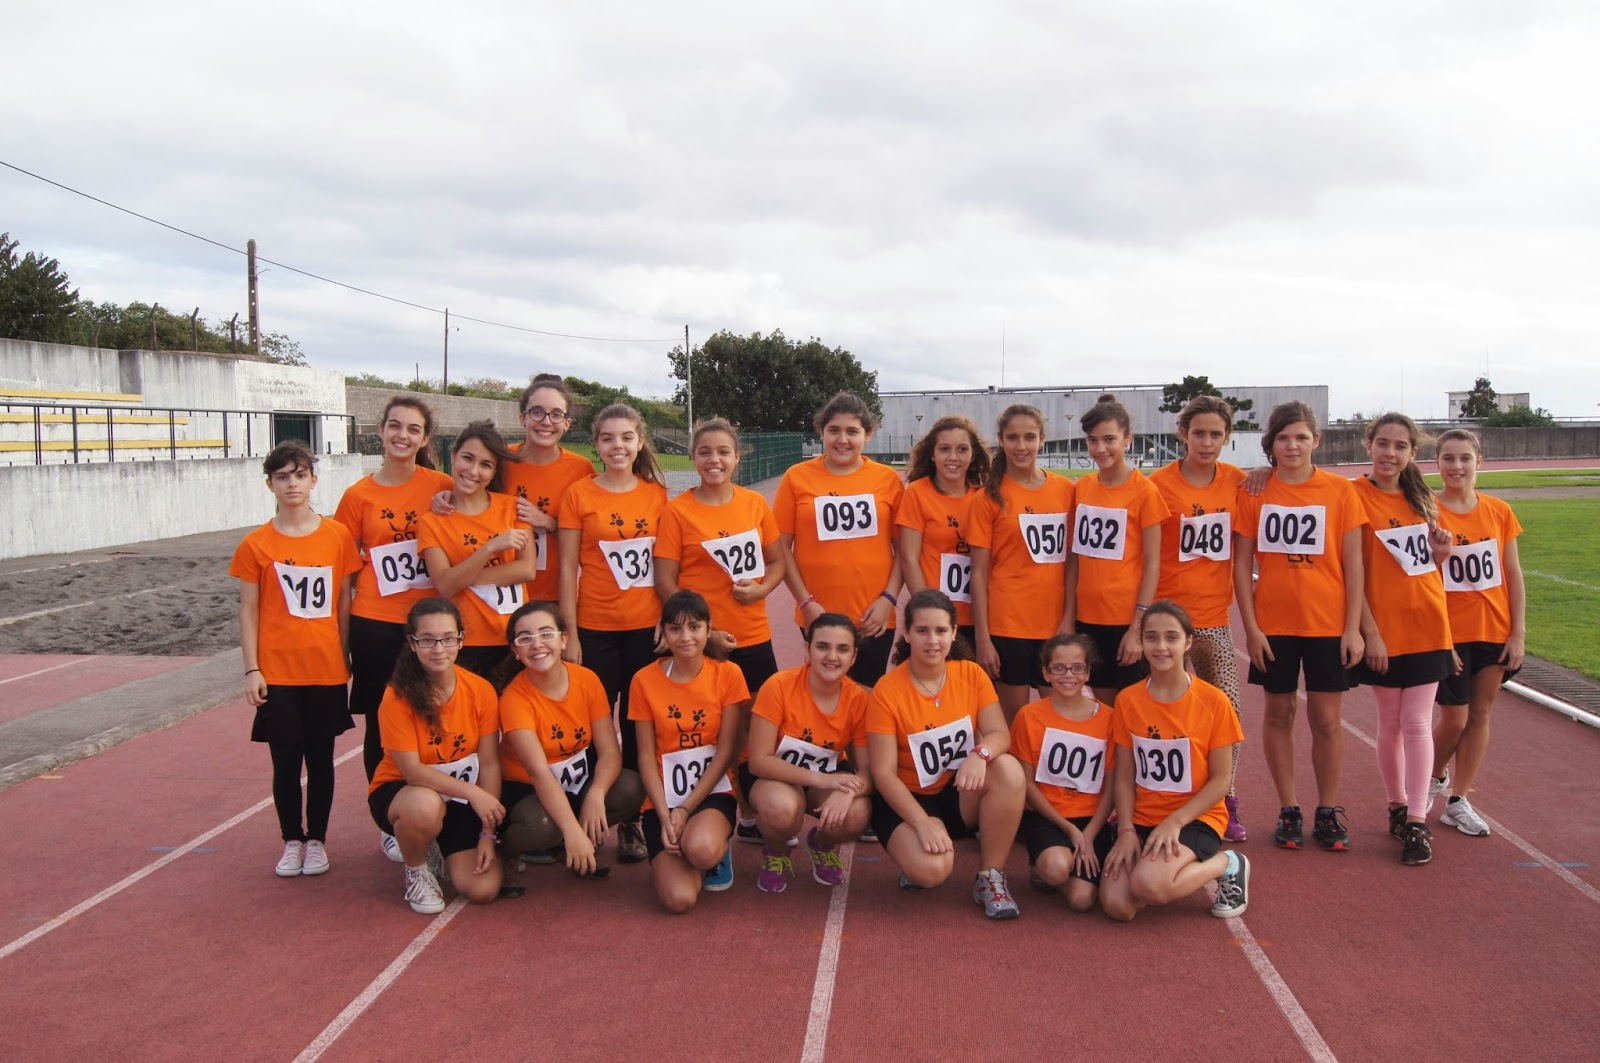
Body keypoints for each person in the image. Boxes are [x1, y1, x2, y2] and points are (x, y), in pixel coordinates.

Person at [1233, 400, 1365, 851]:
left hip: (1328, 623)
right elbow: (1242, 563)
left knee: (1327, 720)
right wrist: (1251, 629)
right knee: (1279, 714)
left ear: (1316, 441)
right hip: (1274, 625)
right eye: (1284, 438)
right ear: (1271, 443)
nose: (1292, 446)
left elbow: (1354, 564)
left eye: (1301, 437)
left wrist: (1353, 628)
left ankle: (1327, 810)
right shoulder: (1255, 491)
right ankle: (1288, 807)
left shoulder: (1340, 491)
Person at [230, 442, 362, 878]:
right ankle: (292, 839)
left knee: (321, 760)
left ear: (313, 480)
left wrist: (344, 656)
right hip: (277, 671)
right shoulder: (255, 544)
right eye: (283, 477)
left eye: (300, 475)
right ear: (270, 484)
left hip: (325, 669)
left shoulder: (337, 536)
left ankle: (317, 840)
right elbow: (249, 610)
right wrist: (252, 668)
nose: (292, 484)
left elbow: (343, 602)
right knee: (286, 762)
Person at [655, 418, 786, 843]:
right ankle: (731, 810)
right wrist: (702, 632)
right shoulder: (678, 511)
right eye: (705, 452)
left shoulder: (754, 504)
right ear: (693, 457)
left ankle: (757, 806)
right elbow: (665, 581)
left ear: (737, 457)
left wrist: (762, 588)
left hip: (753, 634)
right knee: (715, 730)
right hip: (700, 644)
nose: (714, 460)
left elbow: (777, 562)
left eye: (723, 452)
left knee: (757, 726)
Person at [866, 589, 1026, 920]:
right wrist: (921, 822)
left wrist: (980, 754)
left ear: (954, 632)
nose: (932, 640)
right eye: (922, 631)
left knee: (1008, 770)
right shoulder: (887, 690)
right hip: (907, 800)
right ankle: (913, 854)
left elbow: (1000, 734)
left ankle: (990, 877)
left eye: (941, 630)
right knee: (932, 870)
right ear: (907, 634)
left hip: (957, 792)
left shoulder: (971, 674)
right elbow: (882, 773)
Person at [557, 402, 669, 863]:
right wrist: (570, 633)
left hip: (645, 629)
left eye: (626, 437)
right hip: (595, 628)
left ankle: (632, 819)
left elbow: (667, 564)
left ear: (640, 442)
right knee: (592, 727)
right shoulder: (579, 495)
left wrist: (667, 617)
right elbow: (566, 567)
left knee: (638, 728)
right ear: (596, 444)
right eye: (607, 438)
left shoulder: (657, 495)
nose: (617, 446)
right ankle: (585, 816)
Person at [334, 397, 454, 820]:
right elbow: (343, 573)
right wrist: (341, 643)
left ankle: (440, 812)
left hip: (431, 623)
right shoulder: (357, 496)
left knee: (438, 717)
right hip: (375, 622)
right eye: (395, 426)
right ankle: (387, 820)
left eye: (413, 429)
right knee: (382, 723)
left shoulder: (441, 485)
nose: (403, 435)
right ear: (381, 430)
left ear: (425, 438)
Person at [1101, 601, 1250, 921]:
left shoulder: (1214, 702)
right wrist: (1126, 830)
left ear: (1188, 642)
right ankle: (1158, 869)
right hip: (1144, 817)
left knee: (1149, 885)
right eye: (1151, 637)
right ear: (1141, 642)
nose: (1161, 646)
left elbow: (1221, 780)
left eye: (1171, 637)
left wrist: (1175, 822)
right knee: (1117, 906)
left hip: (1195, 817)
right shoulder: (1128, 700)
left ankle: (1227, 864)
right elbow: (1124, 776)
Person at [1149, 395, 1250, 841]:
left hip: (1212, 617)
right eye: (1199, 433)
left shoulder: (1239, 482)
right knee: (1157, 710)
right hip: (1164, 619)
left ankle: (1224, 797)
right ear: (1183, 435)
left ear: (1227, 438)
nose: (1206, 442)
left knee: (1226, 709)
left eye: (1215, 434)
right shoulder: (1158, 484)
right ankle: (1148, 797)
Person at [496, 601, 645, 895]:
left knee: (631, 787)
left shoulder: (586, 679)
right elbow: (539, 773)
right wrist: (572, 830)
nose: (537, 644)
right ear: (515, 651)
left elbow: (609, 751)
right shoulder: (514, 699)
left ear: (564, 639)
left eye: (545, 634)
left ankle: (571, 842)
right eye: (525, 638)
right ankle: (505, 851)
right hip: (525, 788)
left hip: (574, 782)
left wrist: (597, 794)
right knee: (544, 826)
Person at [368, 598, 505, 913]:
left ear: (461, 640)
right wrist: (473, 793)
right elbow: (413, 772)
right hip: (405, 793)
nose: (439, 649)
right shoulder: (397, 696)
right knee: (426, 805)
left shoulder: (481, 690)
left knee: (482, 889)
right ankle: (416, 869)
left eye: (447, 638)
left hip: (458, 800)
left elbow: (489, 763)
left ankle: (440, 846)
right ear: (412, 643)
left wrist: (487, 833)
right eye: (427, 640)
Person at [628, 590, 751, 911]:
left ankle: (712, 848)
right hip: (663, 798)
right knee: (679, 900)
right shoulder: (643, 680)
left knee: (702, 850)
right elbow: (645, 757)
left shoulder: (728, 674)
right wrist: (665, 814)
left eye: (694, 627)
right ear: (663, 632)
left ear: (709, 630)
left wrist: (685, 810)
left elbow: (725, 753)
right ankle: (684, 853)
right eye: (675, 629)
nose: (685, 637)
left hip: (713, 792)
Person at [1430, 428, 1526, 838]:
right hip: (1450, 632)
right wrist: (1440, 638)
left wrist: (1518, 631)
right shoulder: (1428, 512)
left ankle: (1458, 800)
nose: (1457, 466)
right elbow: (1422, 580)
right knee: (1455, 718)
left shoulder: (1499, 511)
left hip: (1493, 629)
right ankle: (1434, 775)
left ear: (1479, 462)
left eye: (1465, 458)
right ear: (1437, 464)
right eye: (1449, 458)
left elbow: (1512, 573)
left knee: (1481, 714)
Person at [776, 391, 904, 687]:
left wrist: (888, 599)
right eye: (834, 430)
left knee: (866, 696)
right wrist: (806, 602)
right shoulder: (796, 478)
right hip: (817, 612)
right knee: (824, 691)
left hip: (873, 615)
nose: (842, 440)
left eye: (852, 432)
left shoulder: (888, 480)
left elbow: (903, 551)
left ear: (868, 435)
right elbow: (780, 548)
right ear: (822, 432)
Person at [742, 614, 873, 893]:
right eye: (822, 646)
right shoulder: (778, 686)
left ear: (854, 656)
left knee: (857, 812)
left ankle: (821, 844)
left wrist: (849, 792)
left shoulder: (859, 699)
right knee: (782, 809)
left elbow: (867, 771)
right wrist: (820, 779)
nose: (832, 657)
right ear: (807, 649)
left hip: (826, 776)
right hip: (772, 776)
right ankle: (776, 851)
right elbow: (758, 761)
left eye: (842, 649)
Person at [971, 404, 1075, 722]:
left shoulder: (1066, 491)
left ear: (1042, 439)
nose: (1021, 446)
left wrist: (1068, 617)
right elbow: (978, 573)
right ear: (1001, 440)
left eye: (1029, 437)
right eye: (1012, 437)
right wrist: (983, 638)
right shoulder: (988, 497)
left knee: (1060, 718)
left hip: (1054, 624)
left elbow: (1072, 563)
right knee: (1015, 722)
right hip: (1008, 624)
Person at [1065, 394, 1169, 702]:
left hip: (1126, 619)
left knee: (1134, 706)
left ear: (1127, 440)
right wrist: (1070, 615)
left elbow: (1153, 564)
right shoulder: (1083, 488)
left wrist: (1137, 627)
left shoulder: (1145, 492)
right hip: (1089, 619)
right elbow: (1076, 557)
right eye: (1092, 440)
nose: (1100, 448)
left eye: (1109, 439)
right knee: (1103, 705)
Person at [416, 421, 536, 677]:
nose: (473, 471)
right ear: (453, 455)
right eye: (467, 458)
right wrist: (490, 548)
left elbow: (526, 569)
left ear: (494, 472)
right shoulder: (431, 522)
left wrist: (460, 578)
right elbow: (444, 586)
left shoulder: (512, 508)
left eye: (485, 465)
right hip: (464, 640)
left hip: (513, 637)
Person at [1009, 635, 1115, 911]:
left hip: (1092, 819)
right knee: (1057, 869)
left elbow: (1112, 786)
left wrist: (1088, 833)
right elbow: (1027, 784)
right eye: (1059, 668)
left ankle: (1074, 874)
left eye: (1077, 668)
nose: (1069, 675)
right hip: (1047, 816)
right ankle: (1043, 865)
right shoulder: (1029, 716)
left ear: (1088, 672)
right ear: (1045, 673)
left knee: (1082, 900)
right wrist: (1069, 829)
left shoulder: (1110, 719)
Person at [497, 375, 598, 604]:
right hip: (503, 593)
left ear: (567, 423)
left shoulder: (581, 469)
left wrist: (549, 522)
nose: (546, 421)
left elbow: (593, 537)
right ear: (522, 418)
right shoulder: (500, 460)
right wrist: (445, 496)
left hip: (556, 595)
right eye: (537, 412)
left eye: (556, 414)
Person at [896, 414, 991, 646]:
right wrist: (927, 610)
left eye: (962, 449)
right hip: (936, 618)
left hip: (981, 614)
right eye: (944, 449)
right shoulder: (917, 493)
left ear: (973, 454)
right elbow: (909, 559)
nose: (953, 457)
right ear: (932, 453)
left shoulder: (984, 496)